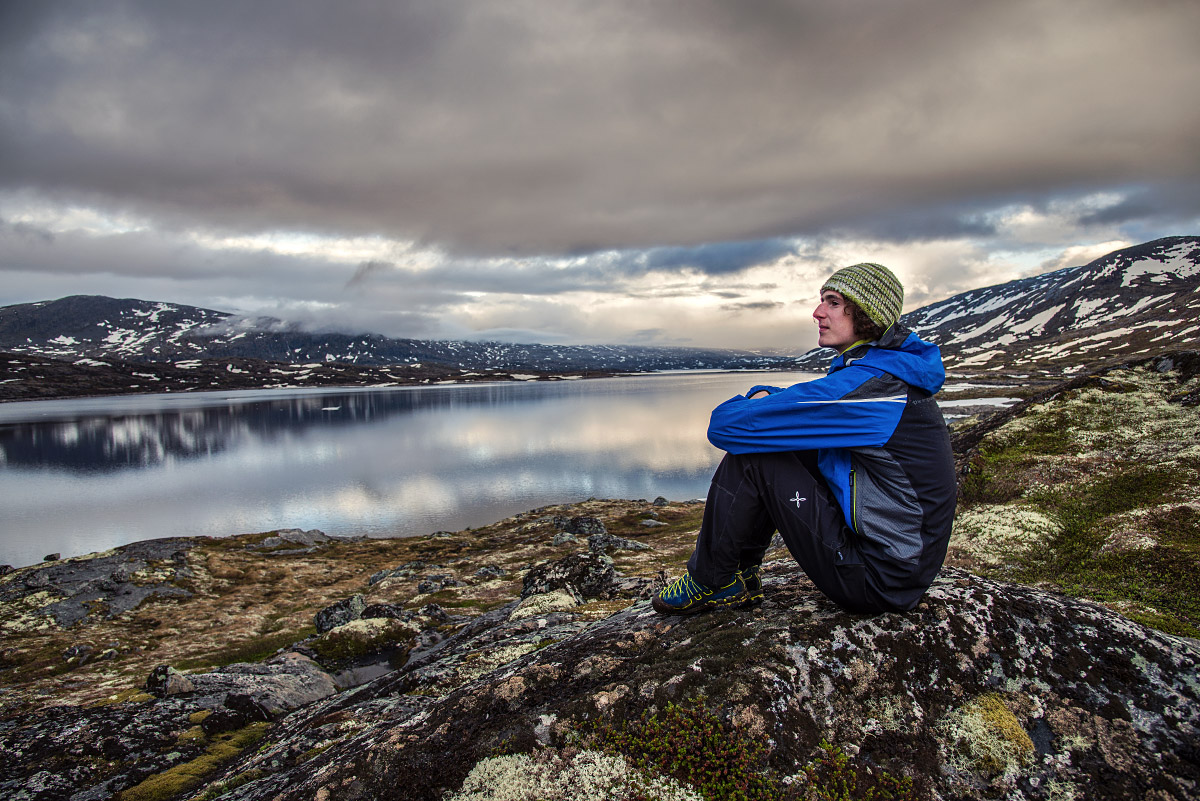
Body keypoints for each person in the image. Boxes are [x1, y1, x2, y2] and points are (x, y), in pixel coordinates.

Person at [653, 262, 956, 616]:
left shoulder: (876, 392)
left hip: (877, 578)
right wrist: (768, 394)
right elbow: (818, 405)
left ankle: (711, 580)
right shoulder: (888, 377)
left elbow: (724, 427)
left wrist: (760, 402)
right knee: (779, 440)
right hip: (900, 569)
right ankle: (740, 575)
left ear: (865, 312)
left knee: (755, 452)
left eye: (832, 302)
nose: (817, 312)